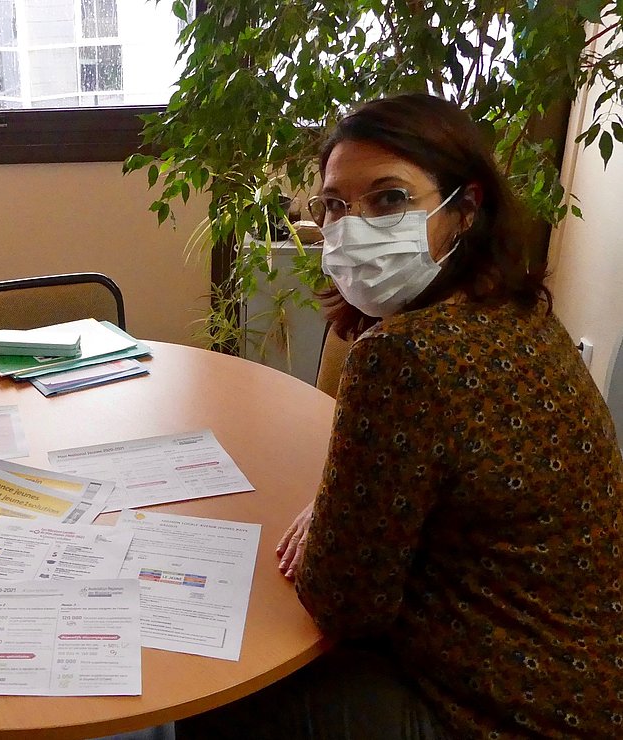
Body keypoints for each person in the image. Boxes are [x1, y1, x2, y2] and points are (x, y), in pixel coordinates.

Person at [177, 94, 623, 738]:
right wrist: (348, 505)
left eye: (389, 199)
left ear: (463, 210)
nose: (352, 226)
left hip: (510, 713)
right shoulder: (518, 311)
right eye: (335, 204)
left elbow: (344, 604)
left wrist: (338, 520)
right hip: (590, 677)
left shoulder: (406, 355)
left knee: (217, 697)